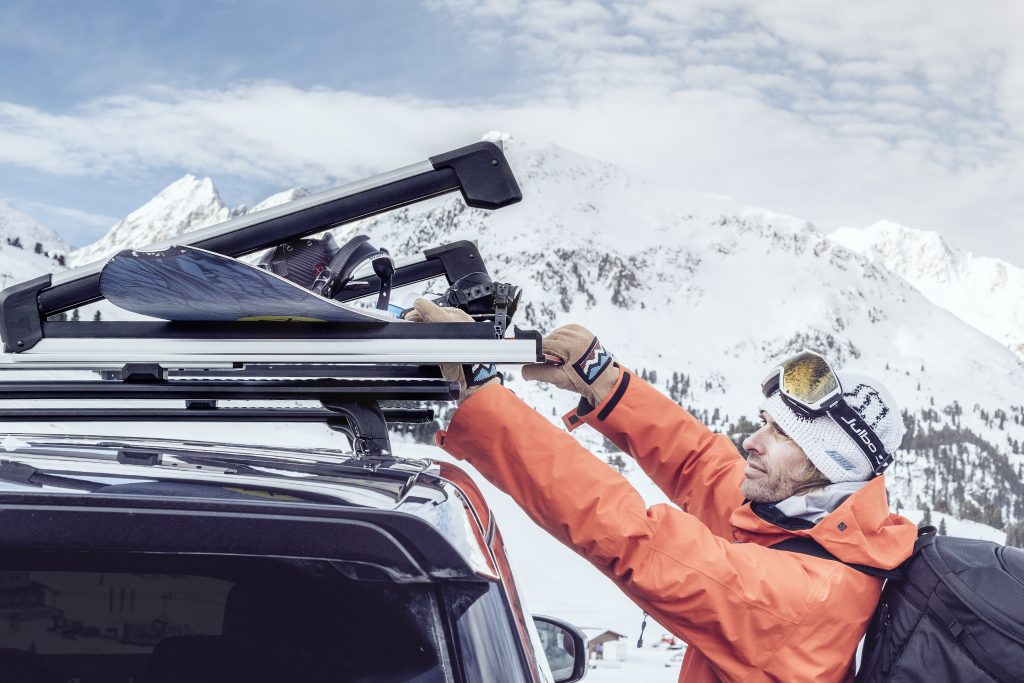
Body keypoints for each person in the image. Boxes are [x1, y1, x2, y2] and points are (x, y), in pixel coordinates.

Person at [405, 300, 917, 682]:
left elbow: (636, 540)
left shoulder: (804, 596)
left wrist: (484, 397)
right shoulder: (806, 522)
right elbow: (699, 462)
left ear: (831, 467)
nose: (752, 441)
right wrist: (601, 381)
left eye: (782, 435)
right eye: (765, 422)